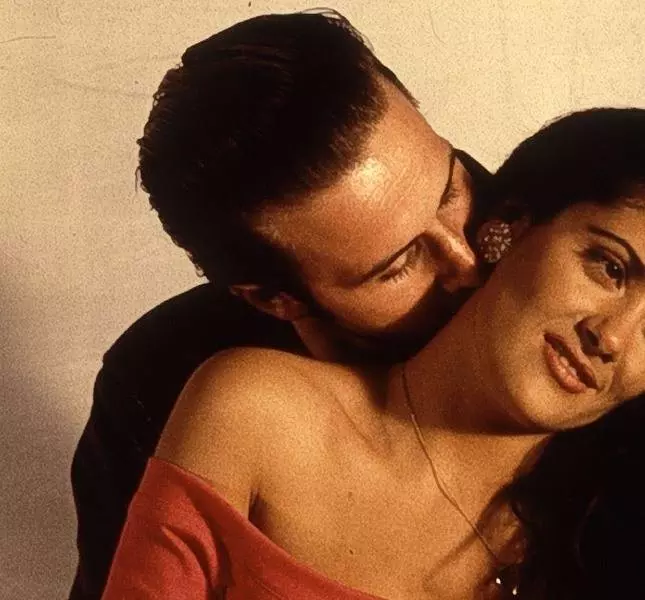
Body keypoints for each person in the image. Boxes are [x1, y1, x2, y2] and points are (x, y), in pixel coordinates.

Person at [101, 107, 645, 600]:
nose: (613, 337)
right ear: (511, 225)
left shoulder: (615, 543)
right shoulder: (255, 412)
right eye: (610, 268)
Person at [69, 10, 493, 600]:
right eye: (397, 265)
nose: (468, 263)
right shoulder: (160, 377)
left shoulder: (557, 224)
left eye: (450, 189)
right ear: (275, 299)